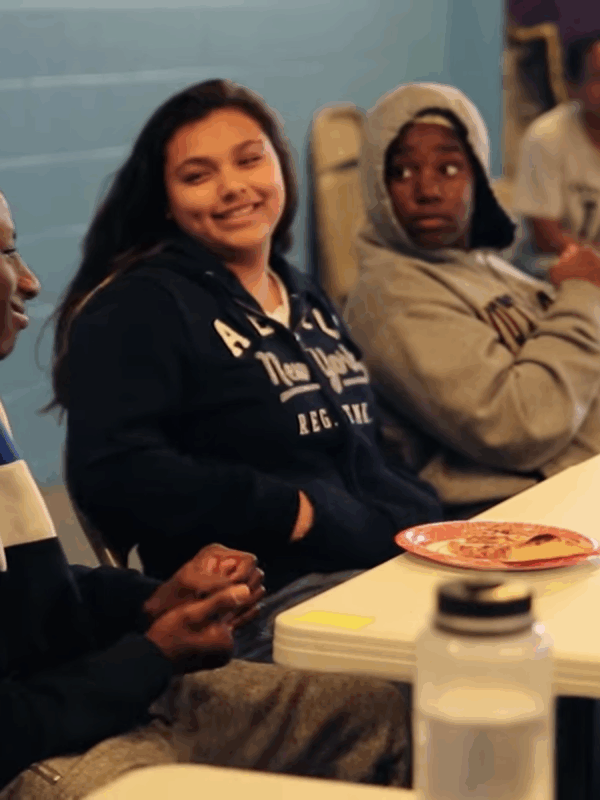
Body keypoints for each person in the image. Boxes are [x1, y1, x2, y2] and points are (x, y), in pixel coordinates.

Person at [0, 189, 411, 799]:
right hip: (34, 750)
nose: (30, 280)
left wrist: (151, 601)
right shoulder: (141, 312)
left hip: (96, 691)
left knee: (382, 709)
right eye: (5, 252)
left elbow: (31, 603)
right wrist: (151, 655)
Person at [45, 80, 442, 599]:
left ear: (280, 166)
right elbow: (114, 474)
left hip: (380, 562)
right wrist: (289, 511)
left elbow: (368, 455)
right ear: (166, 201)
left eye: (249, 160)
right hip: (265, 599)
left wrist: (421, 518)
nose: (232, 187)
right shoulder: (139, 306)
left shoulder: (301, 293)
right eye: (197, 175)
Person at [344, 81, 600, 518]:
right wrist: (581, 295)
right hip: (522, 516)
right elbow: (520, 426)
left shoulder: (478, 265)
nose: (427, 190)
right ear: (376, 186)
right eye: (402, 172)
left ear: (477, 177)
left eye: (448, 168)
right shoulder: (391, 297)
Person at [512, 33, 600, 273]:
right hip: (549, 262)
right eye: (598, 78)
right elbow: (545, 235)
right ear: (573, 87)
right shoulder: (546, 136)